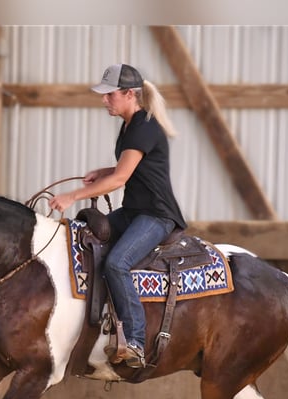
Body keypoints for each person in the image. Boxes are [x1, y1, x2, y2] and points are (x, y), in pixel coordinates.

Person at [49, 63, 187, 368]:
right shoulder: (129, 126)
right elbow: (131, 168)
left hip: (156, 216)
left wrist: (72, 196)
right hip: (135, 212)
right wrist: (104, 171)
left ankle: (136, 341)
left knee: (117, 263)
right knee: (80, 237)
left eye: (109, 95)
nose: (104, 101)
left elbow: (120, 180)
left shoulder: (144, 126)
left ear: (129, 94)